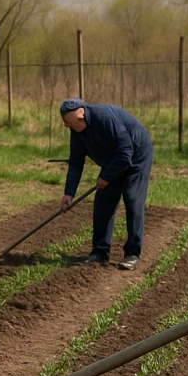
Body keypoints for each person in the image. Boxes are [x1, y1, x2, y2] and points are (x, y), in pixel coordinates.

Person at [59, 98, 154, 271]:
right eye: (68, 125)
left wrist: (106, 176)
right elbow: (76, 162)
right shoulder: (77, 131)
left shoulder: (104, 118)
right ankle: (99, 252)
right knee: (103, 202)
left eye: (71, 123)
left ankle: (132, 253)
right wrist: (69, 193)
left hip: (136, 157)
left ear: (82, 115)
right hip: (113, 160)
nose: (69, 128)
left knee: (133, 199)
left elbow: (125, 153)